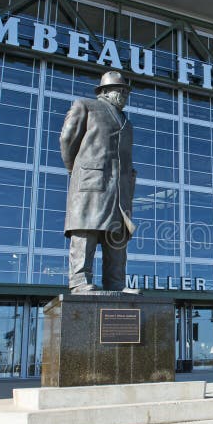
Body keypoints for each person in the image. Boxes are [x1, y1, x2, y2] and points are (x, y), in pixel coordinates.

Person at [60, 71, 137, 292]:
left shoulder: (126, 122)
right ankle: (79, 282)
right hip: (91, 183)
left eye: (125, 91)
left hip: (119, 190)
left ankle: (117, 284)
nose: (123, 95)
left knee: (117, 238)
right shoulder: (85, 106)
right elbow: (67, 140)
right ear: (104, 91)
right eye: (119, 90)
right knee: (86, 231)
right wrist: (76, 171)